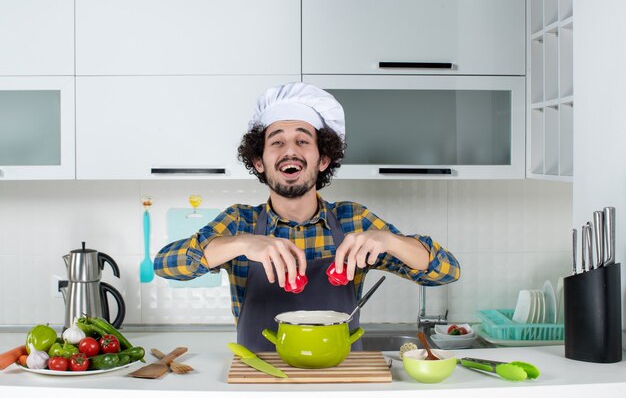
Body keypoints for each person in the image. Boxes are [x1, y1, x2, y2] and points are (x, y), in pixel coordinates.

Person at [154, 82, 460, 351]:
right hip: (261, 381)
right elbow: (166, 265)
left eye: (302, 140)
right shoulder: (240, 222)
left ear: (323, 158)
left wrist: (390, 240)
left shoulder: (353, 220)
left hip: (339, 381)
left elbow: (446, 271)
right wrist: (241, 244)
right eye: (276, 142)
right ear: (259, 161)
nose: (290, 150)